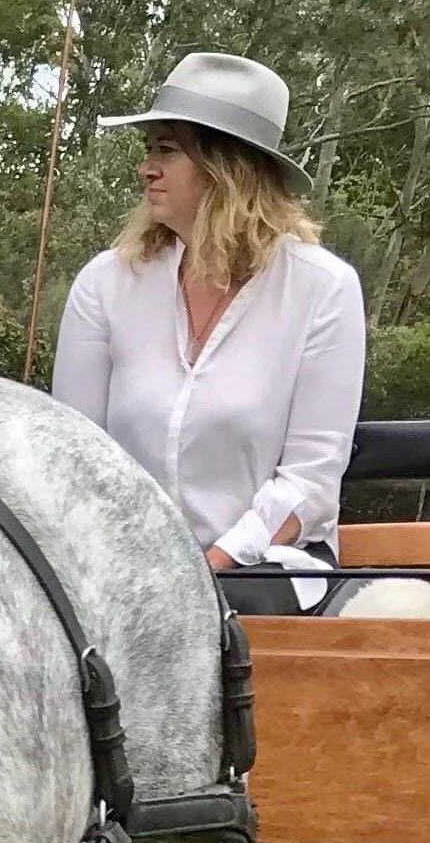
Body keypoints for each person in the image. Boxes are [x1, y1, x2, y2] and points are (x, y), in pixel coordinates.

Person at [52, 48, 366, 606]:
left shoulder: (323, 290)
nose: (146, 168)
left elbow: (309, 487)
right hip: (126, 566)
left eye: (168, 151)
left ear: (229, 169)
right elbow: (76, 455)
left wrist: (204, 571)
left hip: (262, 566)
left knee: (226, 617)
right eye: (149, 150)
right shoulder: (106, 283)